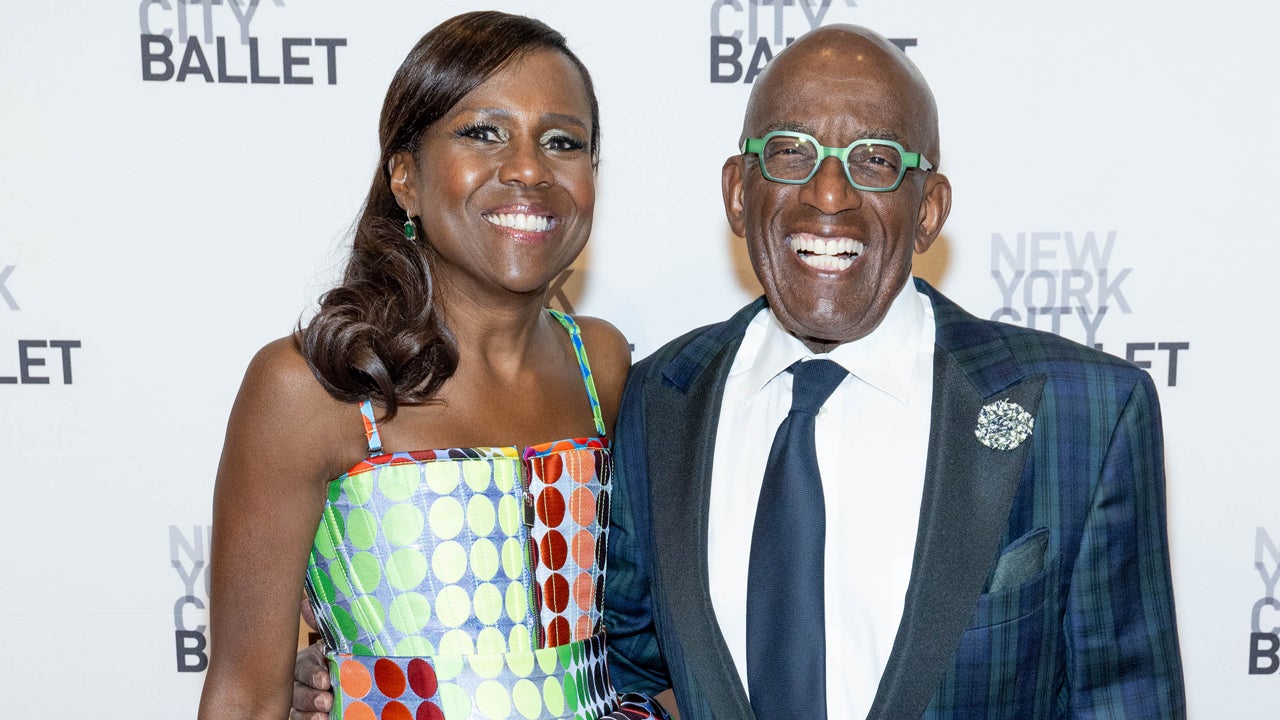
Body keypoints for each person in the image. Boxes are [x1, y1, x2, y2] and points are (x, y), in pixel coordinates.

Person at [294, 22, 1186, 720]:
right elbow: (614, 664)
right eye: (790, 152)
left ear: (930, 209)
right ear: (736, 191)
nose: (828, 195)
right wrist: (351, 677)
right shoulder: (655, 399)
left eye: (876, 161)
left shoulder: (1084, 413)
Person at [199, 11, 667, 720]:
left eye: (563, 142)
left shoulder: (602, 364)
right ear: (405, 178)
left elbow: (648, 634)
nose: (529, 169)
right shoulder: (314, 388)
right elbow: (244, 695)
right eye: (483, 132)